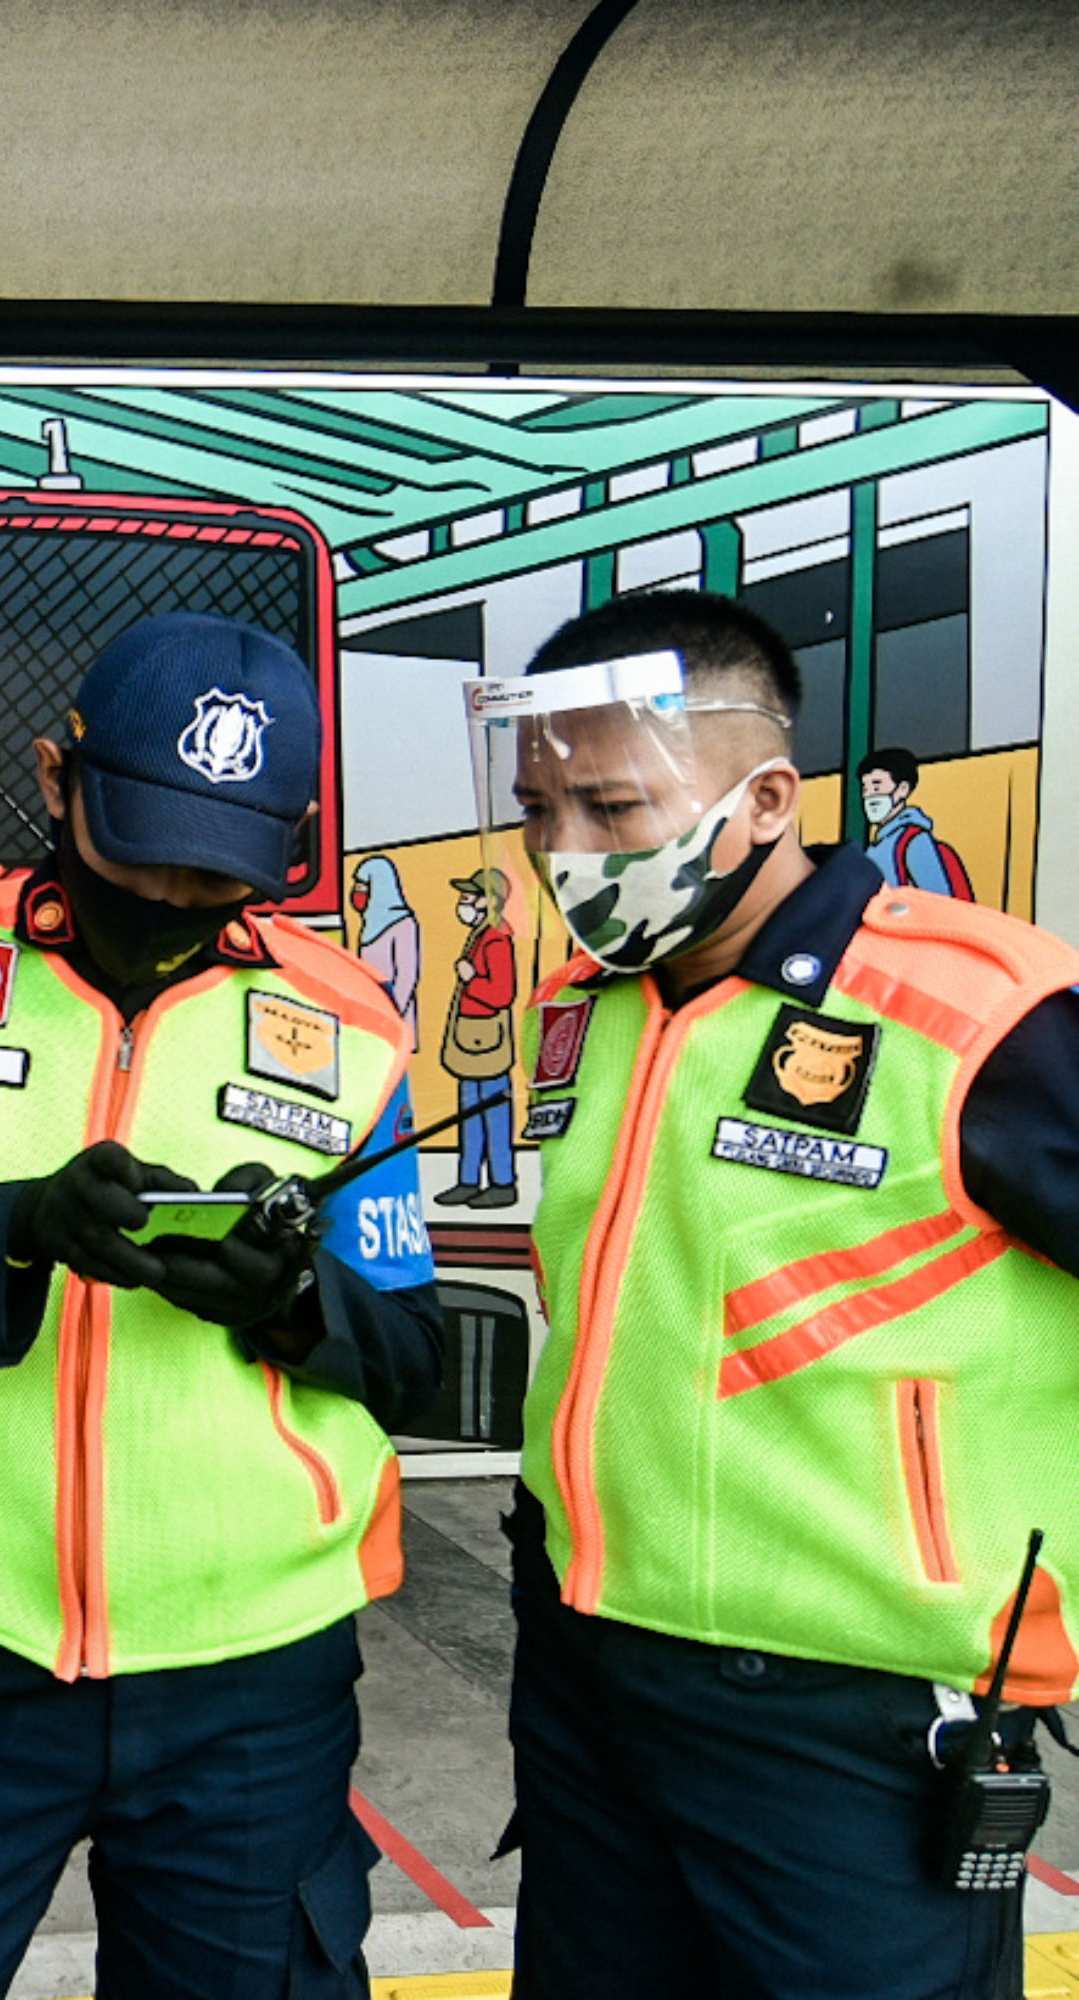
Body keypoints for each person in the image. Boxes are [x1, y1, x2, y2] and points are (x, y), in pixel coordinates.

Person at [0, 612, 445, 2000]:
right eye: (142, 851)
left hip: (257, 1688)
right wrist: (16, 1232)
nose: (174, 900)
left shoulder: (352, 1020)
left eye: (217, 872)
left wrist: (297, 1299)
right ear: (56, 779)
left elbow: (413, 1357)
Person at [473, 589, 1079, 1997]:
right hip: (591, 1675)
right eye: (538, 810)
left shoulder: (982, 1015)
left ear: (760, 798)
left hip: (851, 1726)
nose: (567, 851)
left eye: (614, 809)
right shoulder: (608, 1010)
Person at [437, 866, 519, 1210]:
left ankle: (503, 1183)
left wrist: (470, 978)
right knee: (469, 1115)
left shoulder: (496, 940)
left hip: (486, 1040)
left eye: (469, 897)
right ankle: (468, 1180)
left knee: (493, 1116)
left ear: (489, 901)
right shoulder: (481, 935)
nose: (463, 903)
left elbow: (502, 993)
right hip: (472, 1038)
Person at [859, 746, 974, 899]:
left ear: (902, 790)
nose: (870, 795)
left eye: (877, 786)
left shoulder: (914, 841)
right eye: (865, 788)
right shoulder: (877, 845)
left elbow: (938, 900)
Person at [350, 854, 421, 1038]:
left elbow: (407, 975)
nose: (357, 894)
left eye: (361, 887)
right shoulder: (370, 924)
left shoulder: (403, 924)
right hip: (374, 1011)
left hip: (393, 1016)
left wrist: (392, 1013)